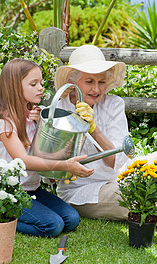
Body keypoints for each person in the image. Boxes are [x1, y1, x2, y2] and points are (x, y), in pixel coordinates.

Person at [55, 45, 157, 229]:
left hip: (122, 174)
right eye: (89, 81)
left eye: (101, 81)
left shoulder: (114, 104)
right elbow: (52, 171)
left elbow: (115, 161)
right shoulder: (57, 112)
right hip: (85, 191)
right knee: (141, 196)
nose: (97, 89)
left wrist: (94, 128)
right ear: (72, 82)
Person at [0, 58, 94, 237]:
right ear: (13, 87)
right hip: (11, 192)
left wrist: (40, 126)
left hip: (33, 188)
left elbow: (42, 151)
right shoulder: (5, 124)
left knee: (71, 219)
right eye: (33, 84)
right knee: (52, 226)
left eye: (41, 83)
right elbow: (25, 161)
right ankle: (4, 219)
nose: (40, 88)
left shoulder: (35, 116)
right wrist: (65, 166)